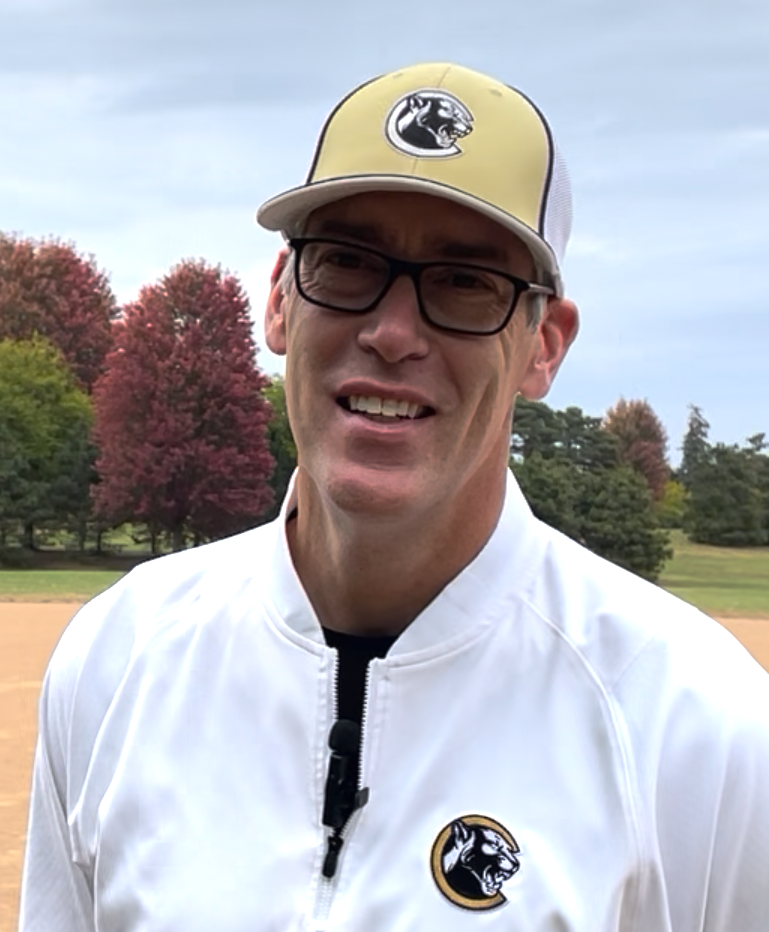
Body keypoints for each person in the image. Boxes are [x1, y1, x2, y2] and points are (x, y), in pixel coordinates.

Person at [19, 62, 769, 931]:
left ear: (543, 347)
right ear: (279, 300)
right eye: (346, 262)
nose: (390, 332)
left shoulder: (695, 723)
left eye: (465, 281)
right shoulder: (117, 657)